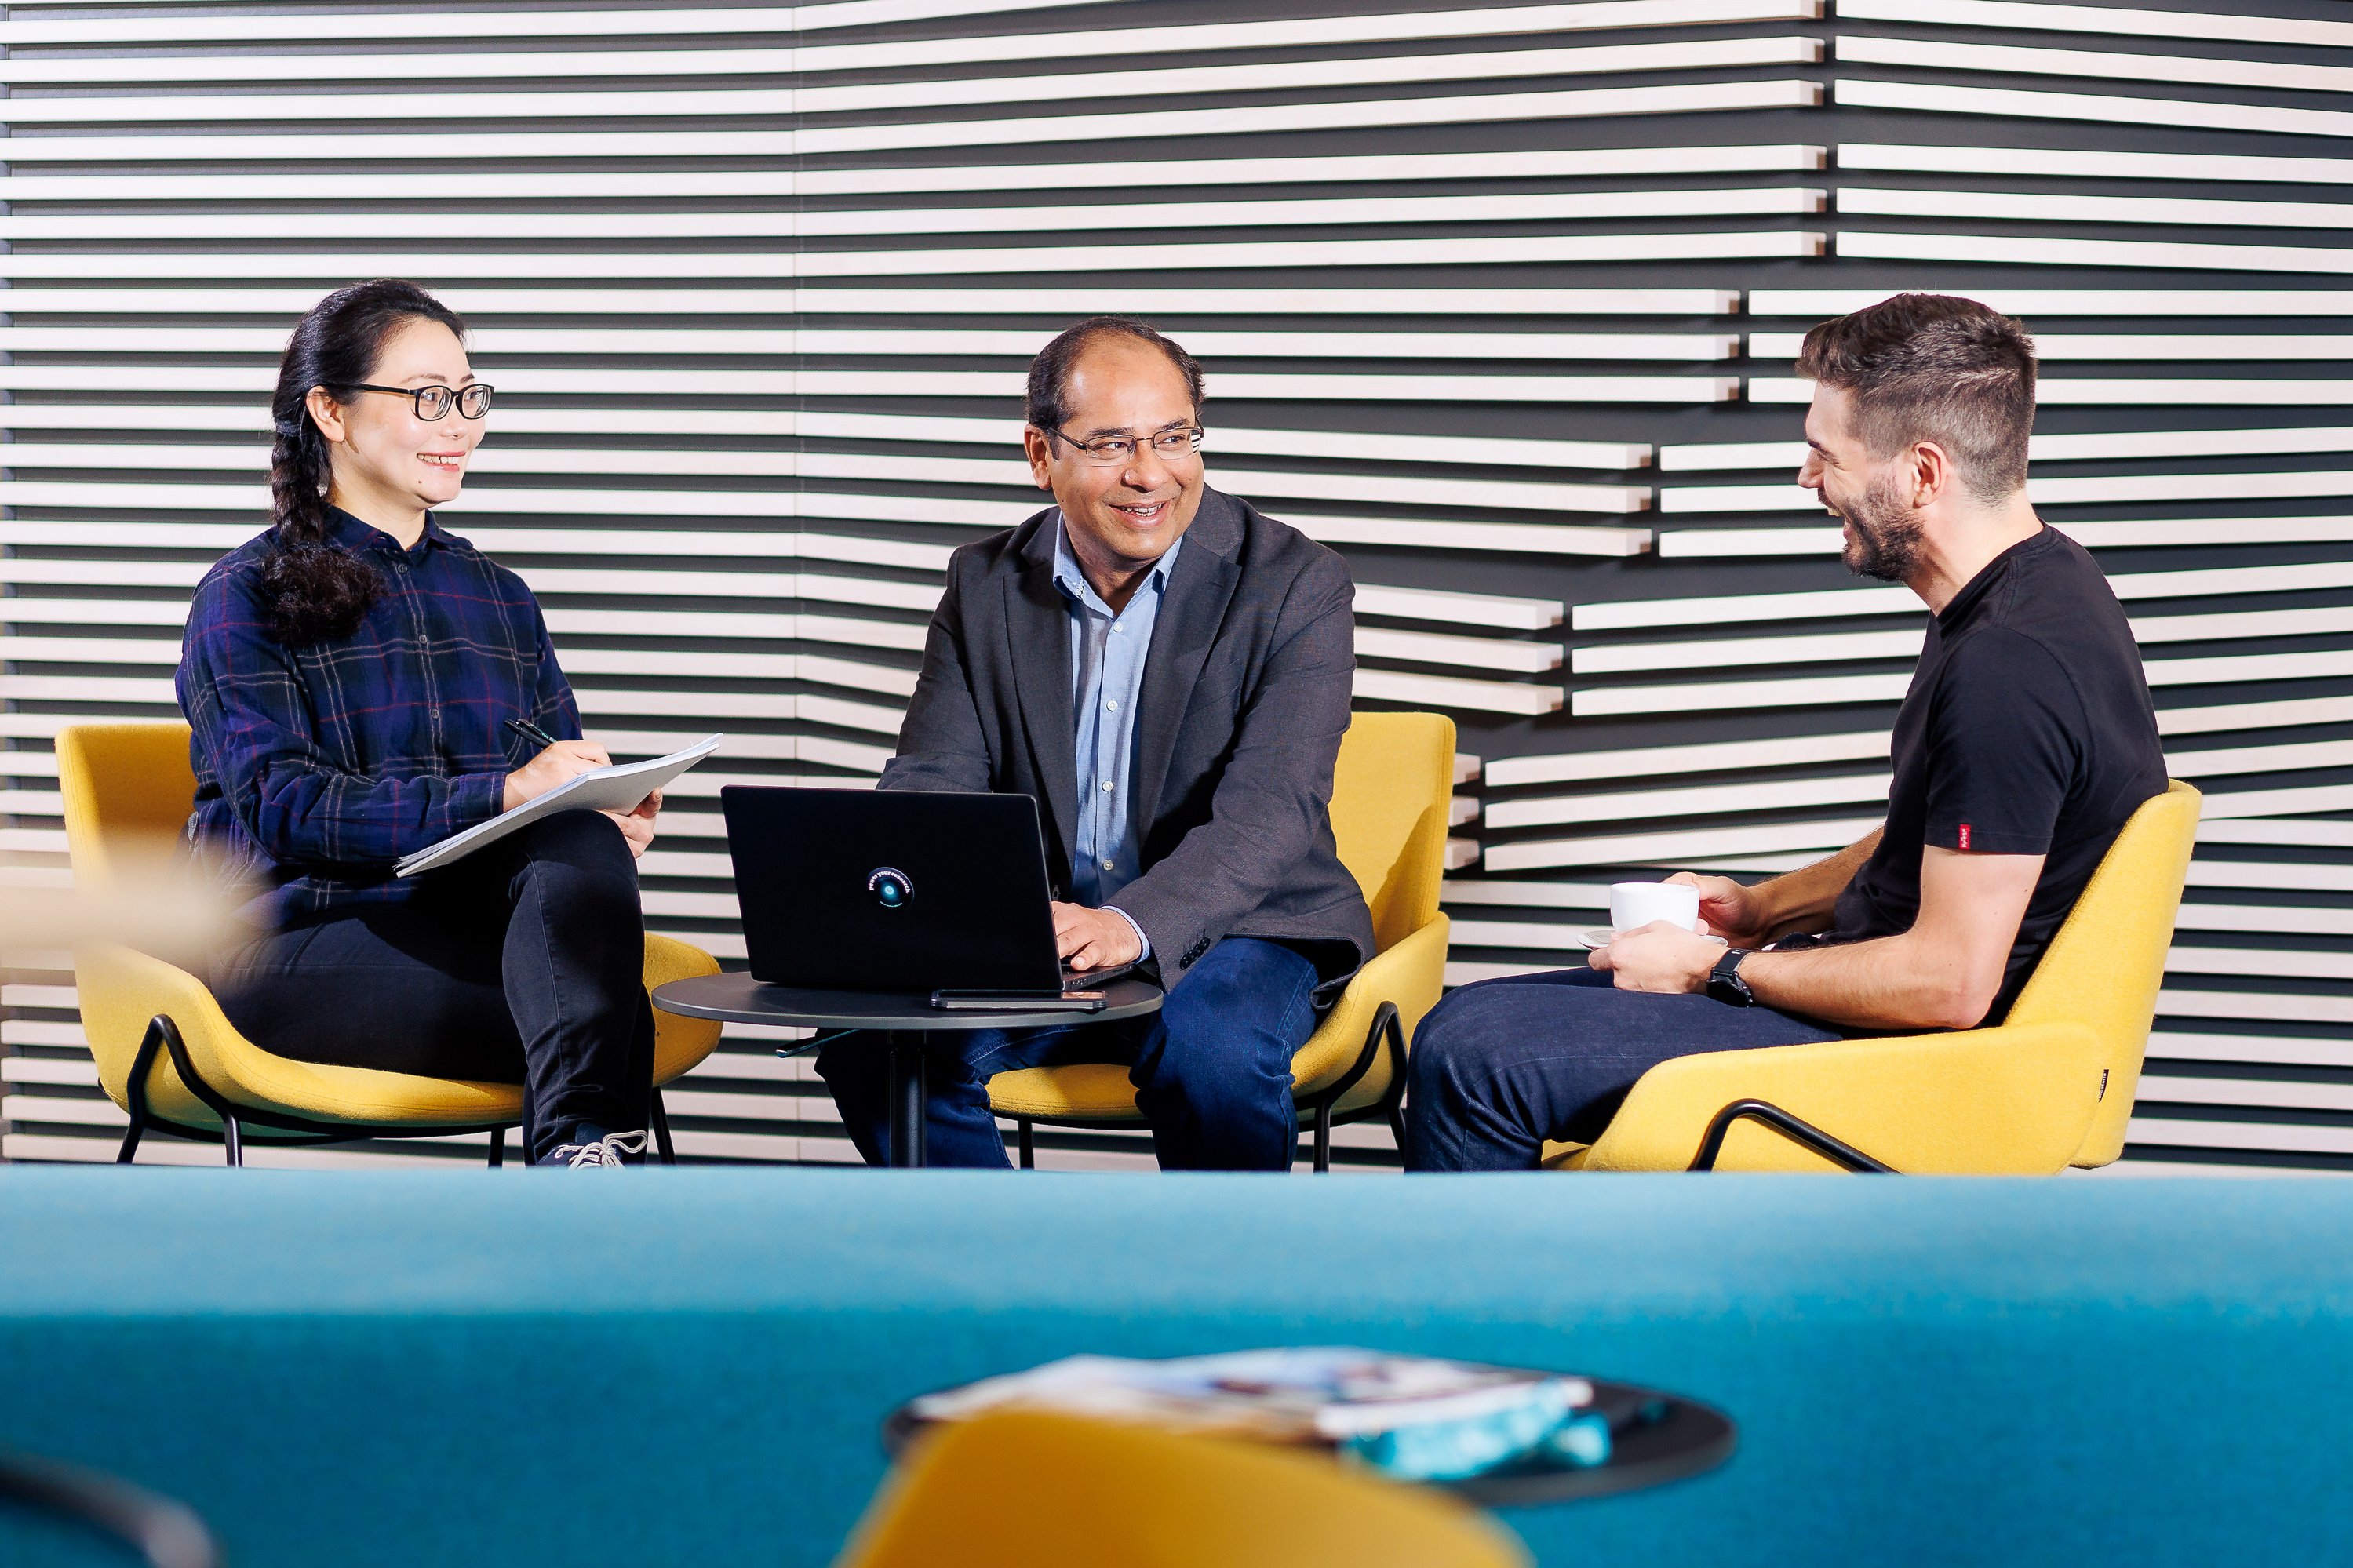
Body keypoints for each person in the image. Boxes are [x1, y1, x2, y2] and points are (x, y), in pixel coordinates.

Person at [1405, 293, 2169, 1171]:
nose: (1807, 480)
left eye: (1824, 454)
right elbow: (1959, 829)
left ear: (1922, 474)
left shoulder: (2009, 665)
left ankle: (1494, 1310)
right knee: (1464, 1021)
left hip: (1923, 1063)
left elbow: (1948, 983)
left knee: (1472, 1057)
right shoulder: (2045, 586)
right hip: (1878, 1013)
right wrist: (1764, 909)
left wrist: (1712, 970)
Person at [817, 317, 1375, 1170]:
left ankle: (1221, 1303)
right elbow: (936, 779)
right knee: (869, 1040)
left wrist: (1131, 923)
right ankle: (1006, 1292)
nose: (1149, 474)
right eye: (1111, 443)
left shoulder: (1294, 582)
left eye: (1174, 437)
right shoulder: (983, 583)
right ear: (1041, 454)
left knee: (1211, 1054)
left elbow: (1272, 811)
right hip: (1049, 935)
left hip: (1242, 929)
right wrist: (958, 916)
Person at [178, 279, 665, 1168]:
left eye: (470, 397)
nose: (460, 425)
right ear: (330, 409)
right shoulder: (241, 593)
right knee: (608, 1016)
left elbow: (550, 780)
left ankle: (575, 1167)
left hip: (464, 927)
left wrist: (598, 809)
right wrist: (509, 792)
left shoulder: (498, 596)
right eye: (428, 399)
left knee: (579, 859)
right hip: (287, 945)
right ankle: (588, 1182)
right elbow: (285, 805)